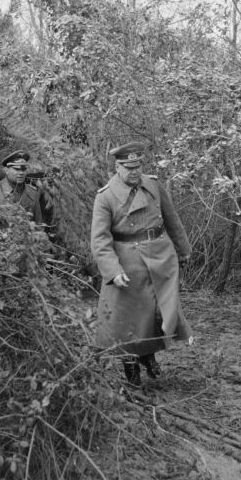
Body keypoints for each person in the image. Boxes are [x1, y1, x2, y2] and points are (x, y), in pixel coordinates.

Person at [90, 141, 192, 387]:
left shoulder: (154, 185)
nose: (134, 171)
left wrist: (183, 250)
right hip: (128, 262)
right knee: (129, 319)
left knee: (156, 312)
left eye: (137, 166)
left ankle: (149, 356)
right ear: (117, 167)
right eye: (128, 167)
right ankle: (131, 366)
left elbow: (172, 218)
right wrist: (113, 271)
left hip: (160, 255)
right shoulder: (105, 197)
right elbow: (100, 240)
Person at [0, 150, 44, 224]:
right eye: (16, 169)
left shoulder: (33, 192)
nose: (21, 173)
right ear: (6, 170)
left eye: (24, 169)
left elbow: (38, 223)